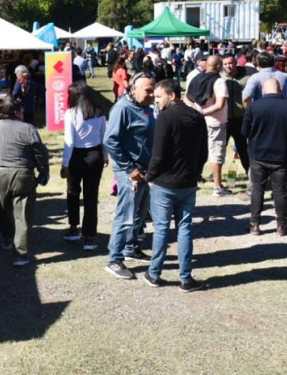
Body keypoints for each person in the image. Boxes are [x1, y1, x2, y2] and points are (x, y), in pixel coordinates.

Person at [144, 80, 208, 292]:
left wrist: (150, 176)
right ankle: (185, 278)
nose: (155, 101)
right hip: (188, 182)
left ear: (172, 95)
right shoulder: (197, 116)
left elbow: (158, 153)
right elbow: (203, 151)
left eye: (158, 97)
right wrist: (195, 173)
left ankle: (154, 273)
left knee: (162, 229)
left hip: (165, 183)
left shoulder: (165, 117)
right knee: (185, 228)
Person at [104, 73, 156, 280]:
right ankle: (114, 259)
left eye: (153, 90)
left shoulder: (146, 108)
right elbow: (110, 140)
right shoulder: (122, 108)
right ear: (134, 89)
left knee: (140, 213)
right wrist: (129, 168)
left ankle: (130, 247)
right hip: (130, 171)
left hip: (145, 170)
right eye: (148, 91)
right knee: (125, 215)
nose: (152, 94)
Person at [0, 97, 50, 266]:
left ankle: (7, 237)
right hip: (23, 173)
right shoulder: (28, 128)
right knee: (22, 215)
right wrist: (43, 171)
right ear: (16, 111)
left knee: (1, 208)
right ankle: (20, 254)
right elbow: (40, 152)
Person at [241, 79, 287, 236]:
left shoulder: (253, 107)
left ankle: (254, 225)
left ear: (263, 91)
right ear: (281, 89)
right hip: (282, 155)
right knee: (280, 190)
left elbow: (244, 132)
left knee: (257, 189)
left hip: (258, 154)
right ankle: (281, 226)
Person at [60, 82, 107, 250]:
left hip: (76, 156)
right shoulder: (99, 112)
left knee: (73, 192)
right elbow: (104, 137)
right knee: (91, 195)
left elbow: (69, 141)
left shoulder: (71, 113)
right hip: (95, 154)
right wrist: (105, 156)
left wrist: (65, 164)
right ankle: (90, 236)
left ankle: (73, 228)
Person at [185, 55, 231, 196]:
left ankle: (190, 181)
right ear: (218, 66)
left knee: (195, 151)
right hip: (215, 122)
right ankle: (217, 187)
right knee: (216, 153)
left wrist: (196, 110)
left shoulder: (196, 78)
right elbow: (220, 104)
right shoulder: (219, 81)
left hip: (197, 122)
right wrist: (203, 112)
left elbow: (187, 97)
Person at [221, 53, 251, 179]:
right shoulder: (220, 78)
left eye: (230, 63)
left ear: (236, 63)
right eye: (225, 64)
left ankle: (250, 173)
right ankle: (217, 175)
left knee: (243, 148)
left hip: (241, 119)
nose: (228, 66)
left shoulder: (246, 78)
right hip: (224, 119)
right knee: (220, 148)